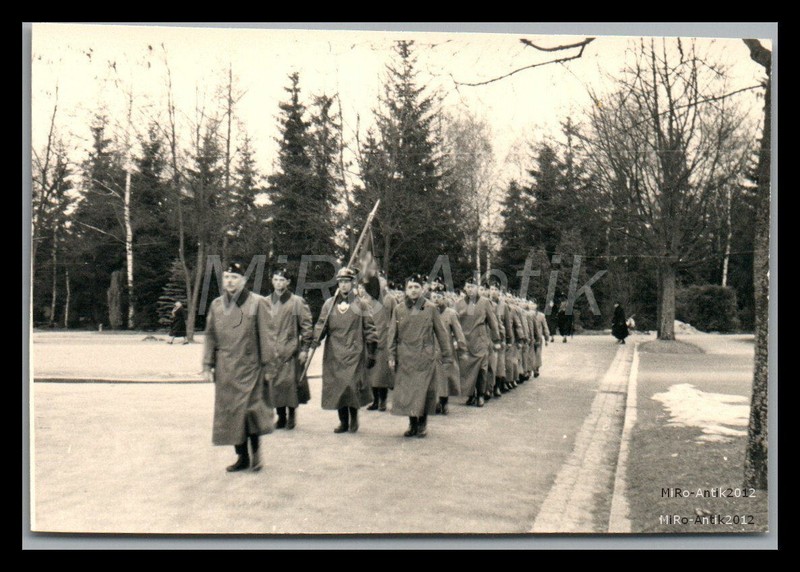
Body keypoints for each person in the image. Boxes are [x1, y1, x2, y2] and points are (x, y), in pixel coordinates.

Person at [202, 262, 273, 473]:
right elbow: (210, 336)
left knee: (251, 412)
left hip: (250, 367)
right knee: (230, 414)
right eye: (226, 277)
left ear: (243, 280)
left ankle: (256, 453)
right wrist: (207, 364)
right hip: (226, 370)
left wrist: (268, 367)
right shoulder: (216, 305)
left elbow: (267, 337)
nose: (230, 281)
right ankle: (241, 456)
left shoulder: (258, 303)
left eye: (234, 277)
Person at [313, 267, 378, 434]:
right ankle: (343, 421)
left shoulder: (361, 304)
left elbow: (370, 328)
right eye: (341, 282)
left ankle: (354, 418)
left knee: (351, 386)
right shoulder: (329, 304)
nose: (343, 285)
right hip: (334, 352)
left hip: (354, 352)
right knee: (338, 387)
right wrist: (316, 338)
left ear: (352, 283)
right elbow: (321, 325)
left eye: (346, 282)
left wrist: (371, 351)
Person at [388, 275, 454, 437]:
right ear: (406, 289)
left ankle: (422, 423)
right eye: (410, 287)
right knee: (409, 392)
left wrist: (447, 356)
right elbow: (392, 334)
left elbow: (441, 333)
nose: (413, 290)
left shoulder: (431, 308)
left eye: (416, 287)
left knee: (422, 392)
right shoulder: (399, 309)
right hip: (405, 358)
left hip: (425, 357)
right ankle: (412, 424)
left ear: (422, 289)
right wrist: (391, 355)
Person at [258, 268, 313, 431]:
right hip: (272, 352)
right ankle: (280, 416)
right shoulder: (266, 302)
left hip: (291, 351)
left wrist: (305, 348)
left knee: (290, 386)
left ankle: (291, 415)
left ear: (288, 282)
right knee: (274, 386)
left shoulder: (297, 302)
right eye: (275, 279)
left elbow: (307, 327)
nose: (278, 283)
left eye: (282, 280)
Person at [455, 277, 501, 408]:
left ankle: (480, 394)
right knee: (467, 370)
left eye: (473, 287)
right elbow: (455, 324)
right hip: (465, 342)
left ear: (478, 288)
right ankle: (470, 395)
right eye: (468, 287)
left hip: (480, 341)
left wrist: (496, 339)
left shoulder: (485, 302)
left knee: (482, 369)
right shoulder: (459, 304)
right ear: (465, 288)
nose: (470, 289)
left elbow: (493, 322)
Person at [363, 273, 397, 412]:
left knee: (382, 374)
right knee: (372, 373)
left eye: (382, 282)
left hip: (385, 338)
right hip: (371, 339)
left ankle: (383, 400)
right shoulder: (367, 300)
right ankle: (375, 400)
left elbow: (396, 318)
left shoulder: (390, 299)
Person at [431, 285, 467, 415]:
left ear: (444, 298)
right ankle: (435, 402)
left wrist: (461, 348)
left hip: (445, 351)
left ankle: (444, 403)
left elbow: (458, 332)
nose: (436, 300)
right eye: (434, 297)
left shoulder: (451, 314)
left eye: (439, 297)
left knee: (444, 378)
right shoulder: (428, 311)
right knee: (433, 378)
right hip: (431, 350)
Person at [532, 300, 550, 378]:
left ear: (536, 306)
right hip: (530, 337)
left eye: (534, 304)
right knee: (530, 354)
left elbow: (545, 327)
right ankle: (530, 369)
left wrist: (546, 338)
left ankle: (536, 369)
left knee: (538, 354)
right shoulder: (525, 314)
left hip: (538, 338)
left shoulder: (541, 316)